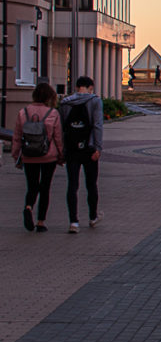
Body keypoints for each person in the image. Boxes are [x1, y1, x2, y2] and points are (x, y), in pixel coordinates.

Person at [13, 83, 64, 233]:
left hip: (29, 155)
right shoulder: (53, 113)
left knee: (32, 185)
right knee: (45, 187)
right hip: (48, 155)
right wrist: (61, 155)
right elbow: (58, 138)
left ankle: (28, 207)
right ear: (50, 97)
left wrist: (17, 156)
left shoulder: (23, 113)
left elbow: (17, 137)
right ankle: (41, 222)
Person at [60, 76, 104, 233]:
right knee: (91, 184)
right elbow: (98, 125)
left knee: (72, 185)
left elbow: (62, 128)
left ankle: (73, 222)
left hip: (71, 149)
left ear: (77, 86)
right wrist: (98, 147)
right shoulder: (95, 101)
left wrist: (62, 150)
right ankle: (92, 217)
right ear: (90, 87)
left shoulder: (65, 102)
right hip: (89, 148)